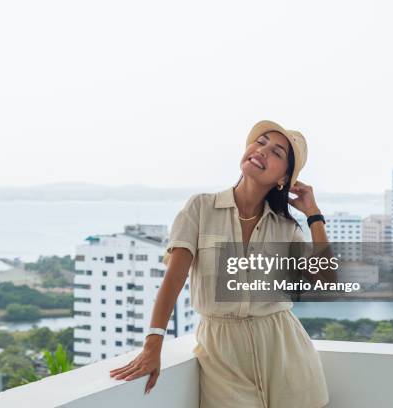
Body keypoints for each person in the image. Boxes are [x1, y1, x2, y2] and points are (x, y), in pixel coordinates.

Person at [109, 120, 333, 408]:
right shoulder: (201, 208)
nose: (262, 150)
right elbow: (174, 280)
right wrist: (153, 344)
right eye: (261, 141)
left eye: (276, 152)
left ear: (284, 178)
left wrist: (314, 215)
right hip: (222, 357)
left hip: (285, 350)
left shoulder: (285, 229)